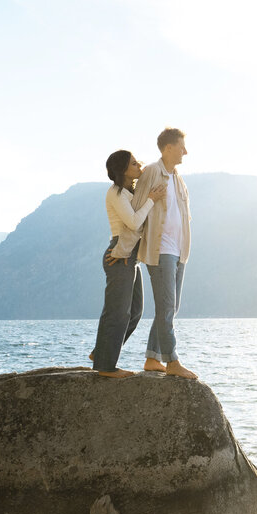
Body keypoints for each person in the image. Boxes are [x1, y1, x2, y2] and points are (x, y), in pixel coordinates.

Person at [90, 150, 166, 378]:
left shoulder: (132, 191)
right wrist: (152, 200)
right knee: (117, 312)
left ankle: (101, 353)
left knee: (135, 311)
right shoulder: (116, 192)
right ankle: (106, 366)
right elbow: (133, 222)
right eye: (133, 163)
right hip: (119, 253)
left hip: (130, 255)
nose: (138, 165)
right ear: (122, 169)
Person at [130, 127, 197, 379]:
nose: (185, 152)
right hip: (160, 250)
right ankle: (172, 362)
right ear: (168, 148)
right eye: (182, 147)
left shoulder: (178, 178)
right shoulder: (151, 173)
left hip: (179, 251)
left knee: (171, 307)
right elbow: (136, 209)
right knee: (167, 306)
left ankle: (152, 358)